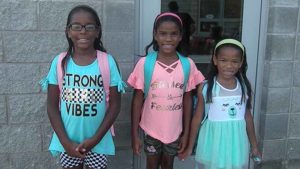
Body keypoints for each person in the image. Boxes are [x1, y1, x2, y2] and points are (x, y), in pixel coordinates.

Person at [40, 5, 125, 169]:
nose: (83, 31)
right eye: (76, 26)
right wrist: (66, 143)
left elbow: (115, 106)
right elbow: (51, 106)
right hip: (68, 143)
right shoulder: (59, 63)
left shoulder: (108, 62)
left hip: (98, 142)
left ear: (98, 31)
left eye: (89, 26)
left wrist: (95, 140)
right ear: (68, 31)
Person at [127, 12, 205, 169]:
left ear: (181, 36)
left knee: (168, 164)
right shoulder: (145, 64)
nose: (168, 39)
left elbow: (188, 100)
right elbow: (137, 100)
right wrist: (135, 135)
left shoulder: (187, 65)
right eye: (163, 34)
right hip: (151, 129)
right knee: (152, 164)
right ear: (155, 35)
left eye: (173, 34)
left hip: (174, 130)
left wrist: (186, 133)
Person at [179, 39, 262, 169]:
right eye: (223, 60)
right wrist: (190, 147)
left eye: (234, 61)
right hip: (214, 143)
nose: (229, 66)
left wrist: (254, 146)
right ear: (215, 60)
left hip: (236, 144)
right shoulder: (206, 88)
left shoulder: (243, 86)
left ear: (241, 63)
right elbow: (197, 118)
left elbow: (247, 117)